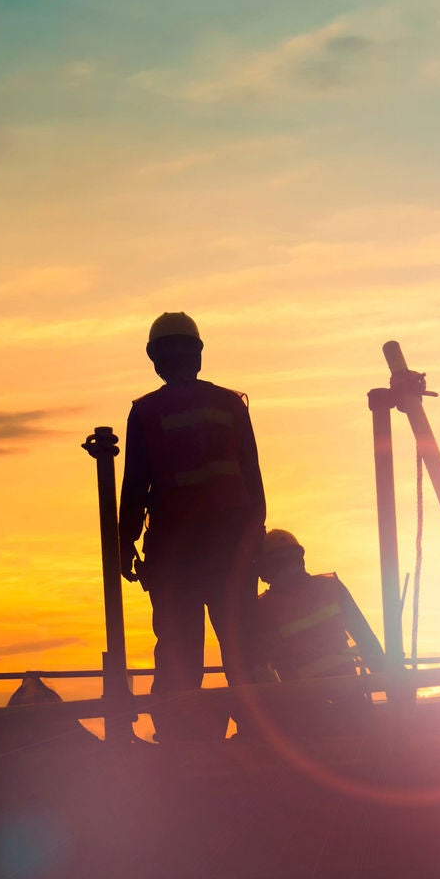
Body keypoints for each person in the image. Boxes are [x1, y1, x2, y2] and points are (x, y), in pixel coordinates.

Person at [119, 312, 266, 741]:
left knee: (180, 653)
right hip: (230, 551)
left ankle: (180, 737)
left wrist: (125, 542)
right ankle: (259, 730)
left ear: (155, 359)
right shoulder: (229, 404)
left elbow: (134, 484)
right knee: (242, 645)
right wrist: (253, 541)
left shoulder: (146, 412)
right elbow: (253, 479)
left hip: (176, 557)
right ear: (198, 354)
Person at [252, 529, 385, 683]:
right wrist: (387, 678)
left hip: (312, 696)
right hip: (333, 692)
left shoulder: (264, 608)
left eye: (289, 560)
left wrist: (386, 676)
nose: (288, 567)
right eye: (282, 562)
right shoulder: (330, 588)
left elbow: (365, 638)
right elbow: (365, 639)